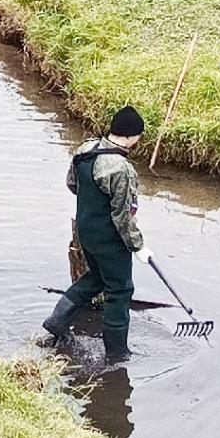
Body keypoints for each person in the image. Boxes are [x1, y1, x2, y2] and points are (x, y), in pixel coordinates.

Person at [41, 106, 151, 361]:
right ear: (133, 136)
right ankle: (117, 353)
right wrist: (138, 247)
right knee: (120, 290)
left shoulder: (85, 150)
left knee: (97, 278)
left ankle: (57, 321)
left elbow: (72, 185)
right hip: (109, 240)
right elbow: (123, 216)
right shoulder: (121, 169)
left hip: (85, 231)